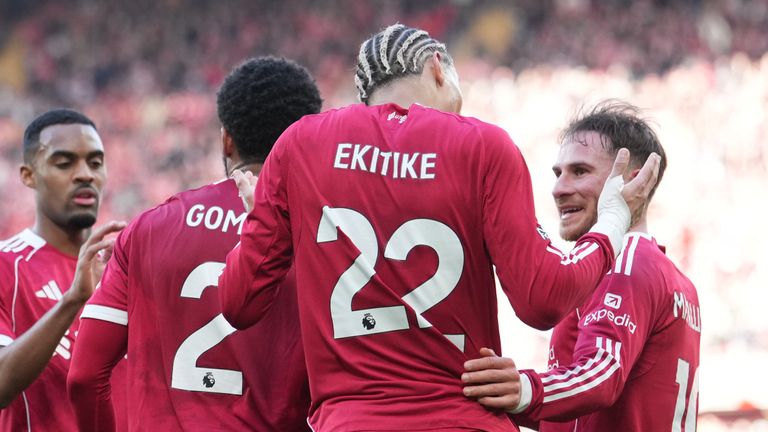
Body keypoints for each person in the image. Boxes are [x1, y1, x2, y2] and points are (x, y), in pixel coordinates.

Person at [219, 24, 660, 431]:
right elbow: (543, 300)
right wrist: (613, 221)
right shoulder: (482, 145)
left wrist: (264, 225)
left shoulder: (300, 144)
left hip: (350, 421)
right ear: (436, 68)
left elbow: (239, 302)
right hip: (462, 419)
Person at [66, 56, 322, 431]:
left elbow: (84, 377)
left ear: (226, 140)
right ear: (307, 139)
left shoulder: (147, 229)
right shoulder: (320, 236)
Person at [461, 101, 701, 431]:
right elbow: (596, 411)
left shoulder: (624, 262)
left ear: (633, 181)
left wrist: (525, 388)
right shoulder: (675, 280)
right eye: (558, 174)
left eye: (580, 171)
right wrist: (504, 394)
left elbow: (601, 374)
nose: (559, 189)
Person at [0, 108, 125, 431]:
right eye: (64, 162)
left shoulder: (127, 268)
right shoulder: (6, 265)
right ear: (28, 175)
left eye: (95, 162)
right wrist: (73, 300)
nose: (85, 174)